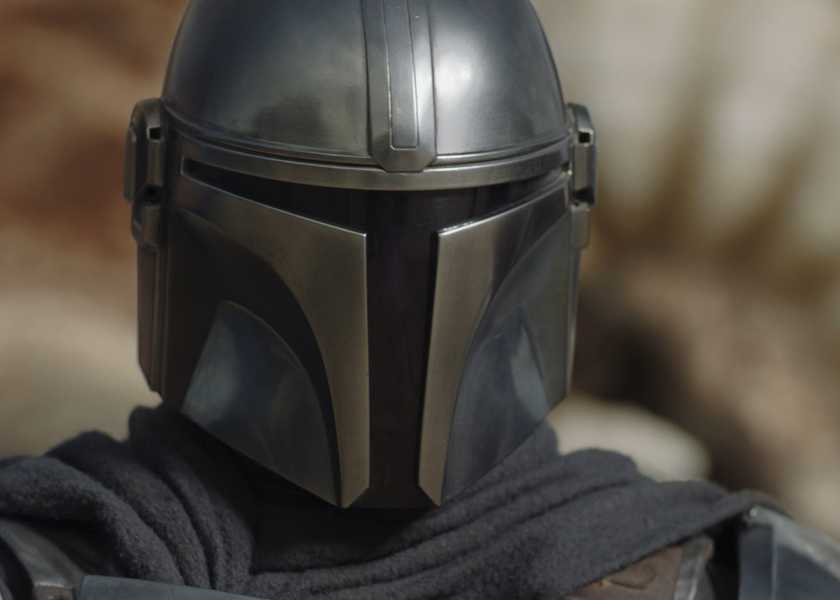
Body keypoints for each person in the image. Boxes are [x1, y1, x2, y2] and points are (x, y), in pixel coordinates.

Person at [1, 1, 838, 598]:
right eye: (323, 211)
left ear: (153, 189)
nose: (394, 296)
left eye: (452, 215)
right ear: (572, 188)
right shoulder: (752, 575)